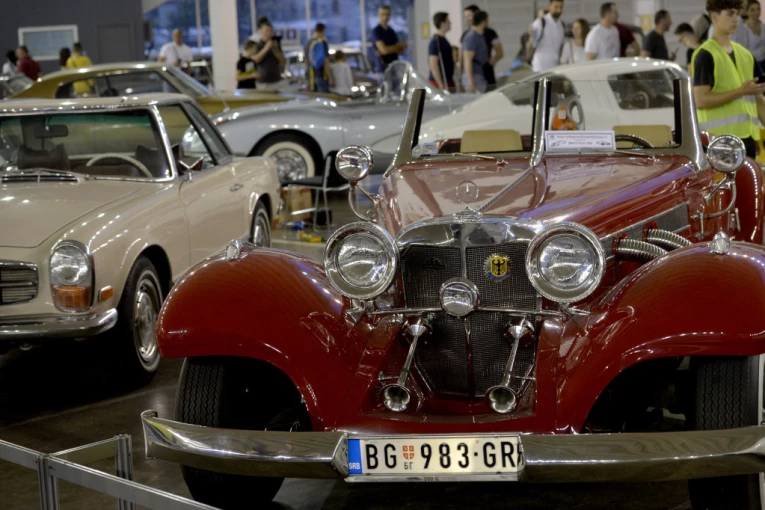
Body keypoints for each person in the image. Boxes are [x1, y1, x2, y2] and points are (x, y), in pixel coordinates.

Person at [692, 0, 765, 159]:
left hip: (748, 139)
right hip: (719, 143)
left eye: (737, 14)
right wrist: (740, 91)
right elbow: (701, 100)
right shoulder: (705, 55)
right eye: (730, 14)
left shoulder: (745, 55)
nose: (735, 19)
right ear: (714, 17)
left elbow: (759, 98)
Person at [529, 0, 565, 72]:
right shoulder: (541, 21)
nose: (558, 10)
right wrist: (532, 34)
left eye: (560, 7)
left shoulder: (561, 26)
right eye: (556, 7)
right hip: (540, 67)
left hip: (554, 68)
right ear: (549, 7)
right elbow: (532, 41)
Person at [252, 18, 287, 90]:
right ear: (260, 31)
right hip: (263, 82)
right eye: (266, 31)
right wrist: (266, 48)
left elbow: (283, 61)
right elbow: (254, 60)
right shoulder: (257, 44)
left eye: (270, 31)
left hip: (277, 80)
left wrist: (276, 49)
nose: (269, 33)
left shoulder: (275, 43)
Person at [371, 5, 407, 74]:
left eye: (387, 14)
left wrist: (387, 49)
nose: (385, 17)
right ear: (378, 15)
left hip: (394, 69)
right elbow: (384, 50)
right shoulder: (376, 31)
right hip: (383, 70)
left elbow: (401, 51)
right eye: (383, 14)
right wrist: (397, 47)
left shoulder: (391, 31)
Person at [462, 10, 490, 93]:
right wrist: (470, 82)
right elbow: (467, 59)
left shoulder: (479, 36)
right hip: (474, 76)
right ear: (483, 22)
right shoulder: (471, 37)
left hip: (479, 73)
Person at [428, 11, 455, 90]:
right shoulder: (436, 41)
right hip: (440, 83)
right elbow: (433, 63)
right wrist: (440, 84)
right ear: (442, 23)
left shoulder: (443, 40)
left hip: (447, 80)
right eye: (448, 21)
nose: (450, 23)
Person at [306, 23, 331, 93]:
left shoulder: (308, 43)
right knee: (323, 98)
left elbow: (306, 61)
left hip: (310, 77)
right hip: (322, 76)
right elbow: (326, 61)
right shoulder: (323, 43)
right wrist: (330, 77)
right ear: (323, 31)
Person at [482, 15, 503, 90]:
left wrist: (494, 58)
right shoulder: (468, 35)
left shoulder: (490, 33)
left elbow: (500, 52)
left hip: (487, 70)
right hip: (475, 72)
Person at [744, 1, 765, 70]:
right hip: (752, 64)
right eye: (752, 10)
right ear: (747, 12)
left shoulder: (763, 26)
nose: (756, 12)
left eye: (758, 9)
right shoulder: (744, 29)